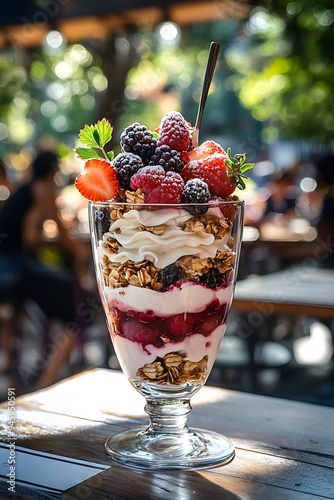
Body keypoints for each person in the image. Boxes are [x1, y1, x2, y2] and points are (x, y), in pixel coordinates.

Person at [0, 151, 89, 388]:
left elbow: (30, 234)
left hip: (9, 267)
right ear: (52, 171)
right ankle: (46, 382)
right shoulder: (43, 188)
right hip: (14, 269)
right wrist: (79, 252)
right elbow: (58, 231)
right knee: (76, 310)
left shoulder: (27, 188)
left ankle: (11, 368)